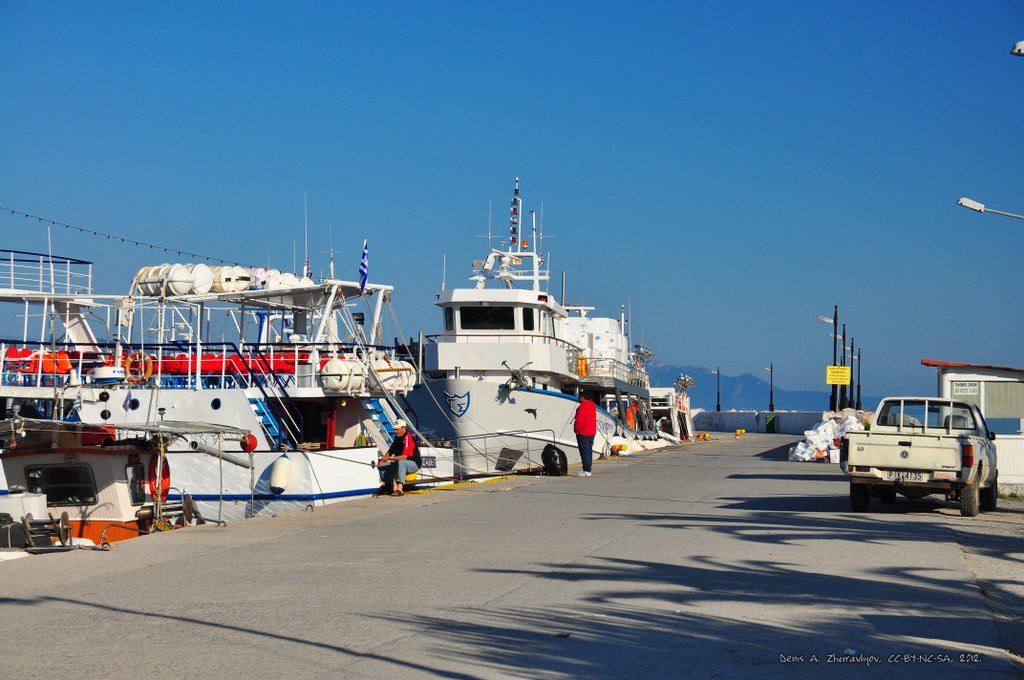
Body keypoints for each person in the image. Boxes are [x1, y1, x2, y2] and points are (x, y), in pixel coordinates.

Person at [378, 419, 420, 496]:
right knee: (382, 466)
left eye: (397, 429)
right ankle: (391, 486)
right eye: (394, 429)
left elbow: (404, 457)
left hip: (414, 464)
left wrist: (389, 458)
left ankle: (400, 489)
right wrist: (382, 460)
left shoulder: (408, 438)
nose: (395, 431)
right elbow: (390, 450)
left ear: (403, 428)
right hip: (401, 463)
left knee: (401, 462)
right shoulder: (397, 437)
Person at [573, 394, 596, 477]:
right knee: (589, 451)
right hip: (591, 432)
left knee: (584, 452)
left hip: (583, 432)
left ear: (583, 397)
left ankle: (586, 470)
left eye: (579, 397)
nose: (578, 398)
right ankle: (588, 469)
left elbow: (579, 420)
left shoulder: (582, 406)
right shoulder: (593, 405)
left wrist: (576, 430)